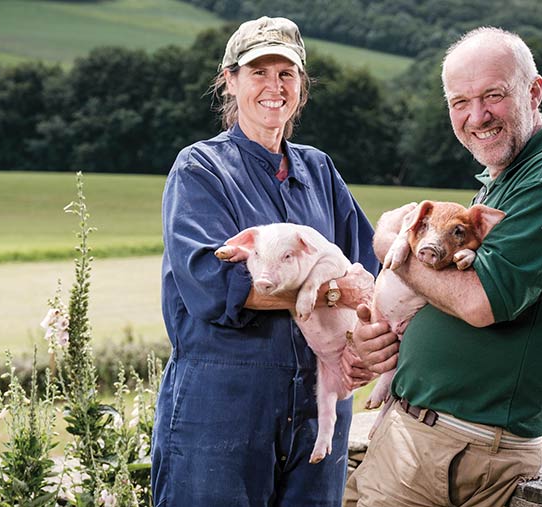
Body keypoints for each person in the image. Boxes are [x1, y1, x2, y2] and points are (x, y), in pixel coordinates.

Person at [345, 27, 542, 507]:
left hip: (456, 452)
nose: (477, 116)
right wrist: (385, 336)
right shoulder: (503, 183)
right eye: (459, 101)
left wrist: (391, 247)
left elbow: (479, 302)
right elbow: (444, 291)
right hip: (429, 441)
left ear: (534, 91)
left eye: (493, 96)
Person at [151, 16, 380, 507]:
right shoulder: (201, 169)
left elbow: (370, 268)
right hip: (222, 408)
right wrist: (334, 294)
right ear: (230, 80)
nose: (274, 87)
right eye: (259, 72)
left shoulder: (318, 170)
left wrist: (362, 344)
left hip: (317, 409)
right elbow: (217, 283)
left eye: (287, 74)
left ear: (301, 85)